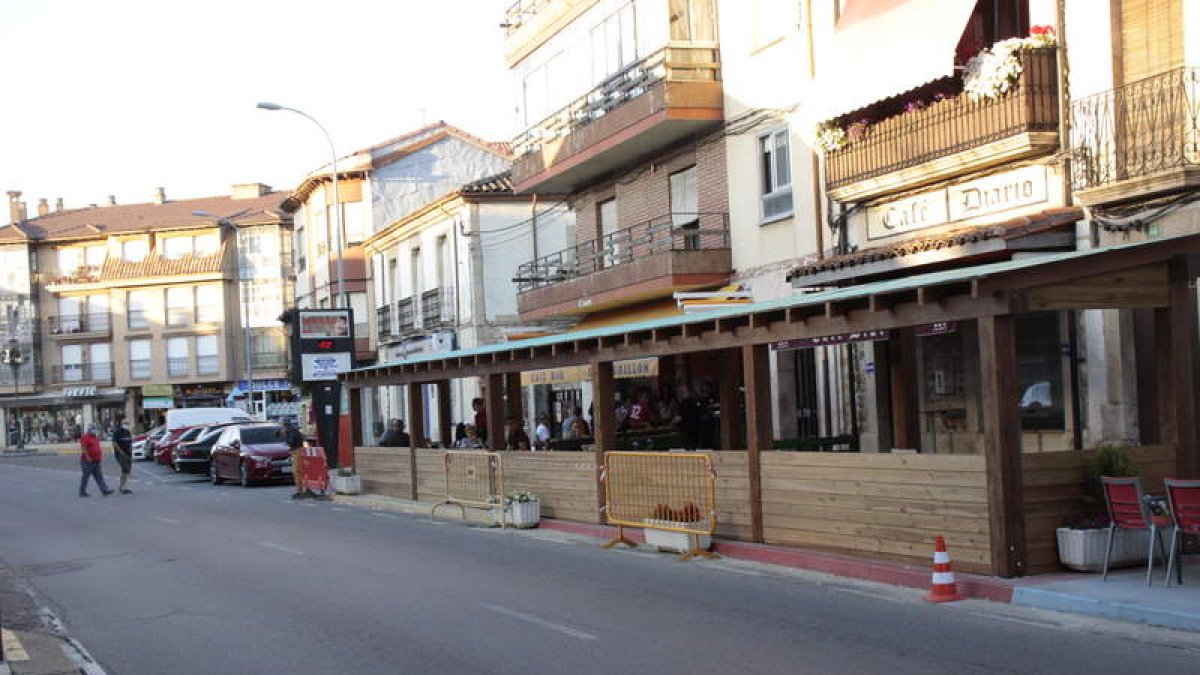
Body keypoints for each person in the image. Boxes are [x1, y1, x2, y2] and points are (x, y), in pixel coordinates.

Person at [79, 424, 113, 497]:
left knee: (99, 476)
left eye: (95, 428)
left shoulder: (95, 437)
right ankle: (82, 492)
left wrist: (99, 457)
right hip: (87, 461)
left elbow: (97, 447)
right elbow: (83, 448)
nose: (95, 430)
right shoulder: (85, 437)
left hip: (96, 460)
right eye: (93, 429)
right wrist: (87, 457)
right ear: (89, 429)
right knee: (86, 476)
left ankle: (104, 490)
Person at [282, 418, 308, 500]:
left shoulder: (292, 431)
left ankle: (300, 490)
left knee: (297, 471)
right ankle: (299, 490)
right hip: (295, 451)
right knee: (295, 471)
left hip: (297, 451)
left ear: (285, 425)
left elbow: (291, 441)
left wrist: (285, 435)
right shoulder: (292, 430)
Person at [111, 414, 134, 494]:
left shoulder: (127, 432)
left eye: (128, 424)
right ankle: (123, 487)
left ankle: (123, 486)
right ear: (122, 424)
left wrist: (131, 452)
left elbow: (130, 442)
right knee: (125, 469)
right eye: (126, 423)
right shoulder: (117, 432)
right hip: (121, 454)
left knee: (126, 471)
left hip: (128, 454)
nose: (127, 425)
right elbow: (114, 443)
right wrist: (120, 451)